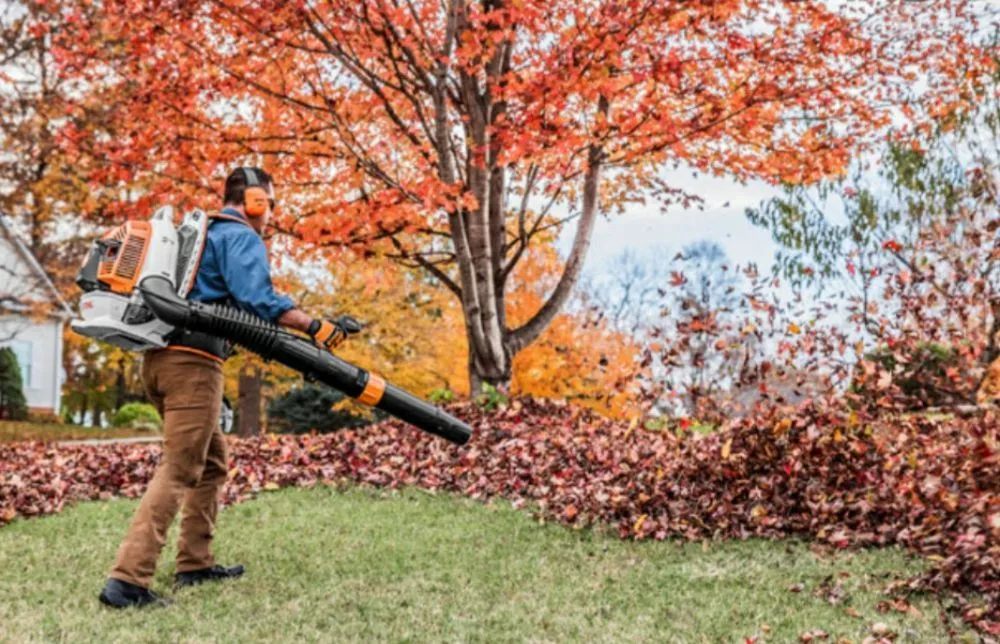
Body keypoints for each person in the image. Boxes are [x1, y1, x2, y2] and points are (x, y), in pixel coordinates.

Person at [99, 167, 352, 608]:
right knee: (179, 468)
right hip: (193, 365)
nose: (270, 213)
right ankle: (127, 582)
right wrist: (317, 326)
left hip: (161, 362)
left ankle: (195, 563)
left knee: (213, 462)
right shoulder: (240, 236)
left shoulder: (199, 235)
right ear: (254, 200)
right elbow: (258, 299)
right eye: (269, 203)